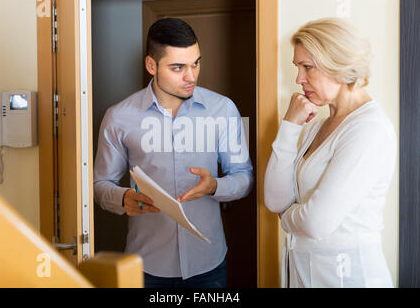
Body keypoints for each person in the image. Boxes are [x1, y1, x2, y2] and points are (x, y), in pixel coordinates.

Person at [94, 18, 253, 288]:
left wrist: (215, 186)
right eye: (178, 67)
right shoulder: (118, 117)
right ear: (151, 65)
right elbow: (99, 185)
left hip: (208, 264)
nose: (191, 76)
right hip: (146, 266)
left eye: (196, 63)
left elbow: (244, 177)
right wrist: (123, 199)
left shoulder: (224, 109)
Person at [264, 18, 396, 288]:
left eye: (307, 67)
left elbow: (315, 223)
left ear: (340, 65)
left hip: (347, 278)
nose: (298, 79)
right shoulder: (319, 124)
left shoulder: (368, 128)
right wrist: (290, 125)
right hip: (303, 275)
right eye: (298, 67)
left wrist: (287, 218)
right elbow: (275, 200)